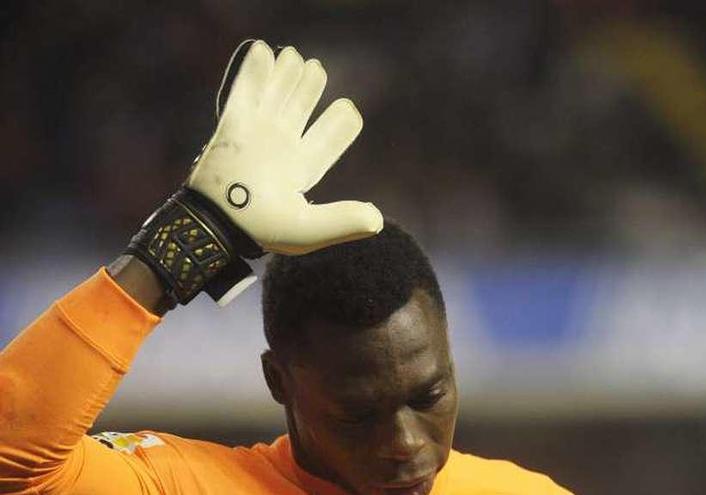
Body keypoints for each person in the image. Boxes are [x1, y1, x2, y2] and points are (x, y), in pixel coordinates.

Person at [0, 41, 573, 494]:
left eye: (428, 397)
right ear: (280, 382)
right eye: (357, 413)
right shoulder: (188, 486)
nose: (405, 444)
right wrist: (191, 233)